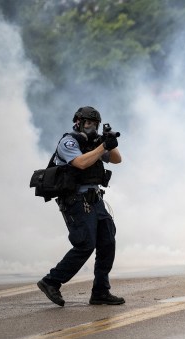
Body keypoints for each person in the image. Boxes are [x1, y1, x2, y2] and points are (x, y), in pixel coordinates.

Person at [37, 106, 125, 307]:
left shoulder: (95, 143)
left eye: (95, 124)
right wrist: (103, 147)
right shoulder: (69, 141)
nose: (91, 127)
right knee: (85, 243)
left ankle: (101, 291)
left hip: (95, 199)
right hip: (75, 200)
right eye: (88, 123)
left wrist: (109, 142)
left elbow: (117, 160)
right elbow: (80, 163)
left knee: (107, 241)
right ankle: (51, 281)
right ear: (77, 122)